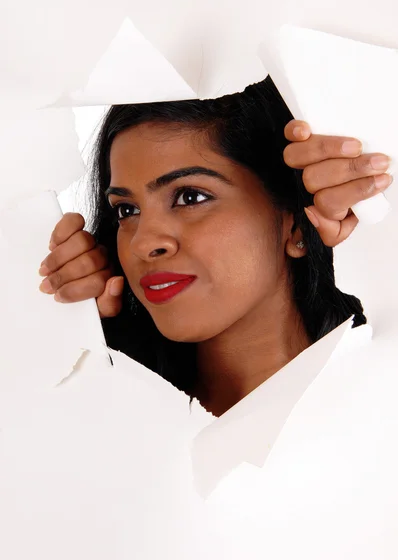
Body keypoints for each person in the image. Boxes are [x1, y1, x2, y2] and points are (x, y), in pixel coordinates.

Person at [38, 77, 392, 416]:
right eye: (126, 210)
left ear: (296, 224)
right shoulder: (104, 419)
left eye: (190, 197)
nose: (144, 243)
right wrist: (75, 342)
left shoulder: (380, 406)